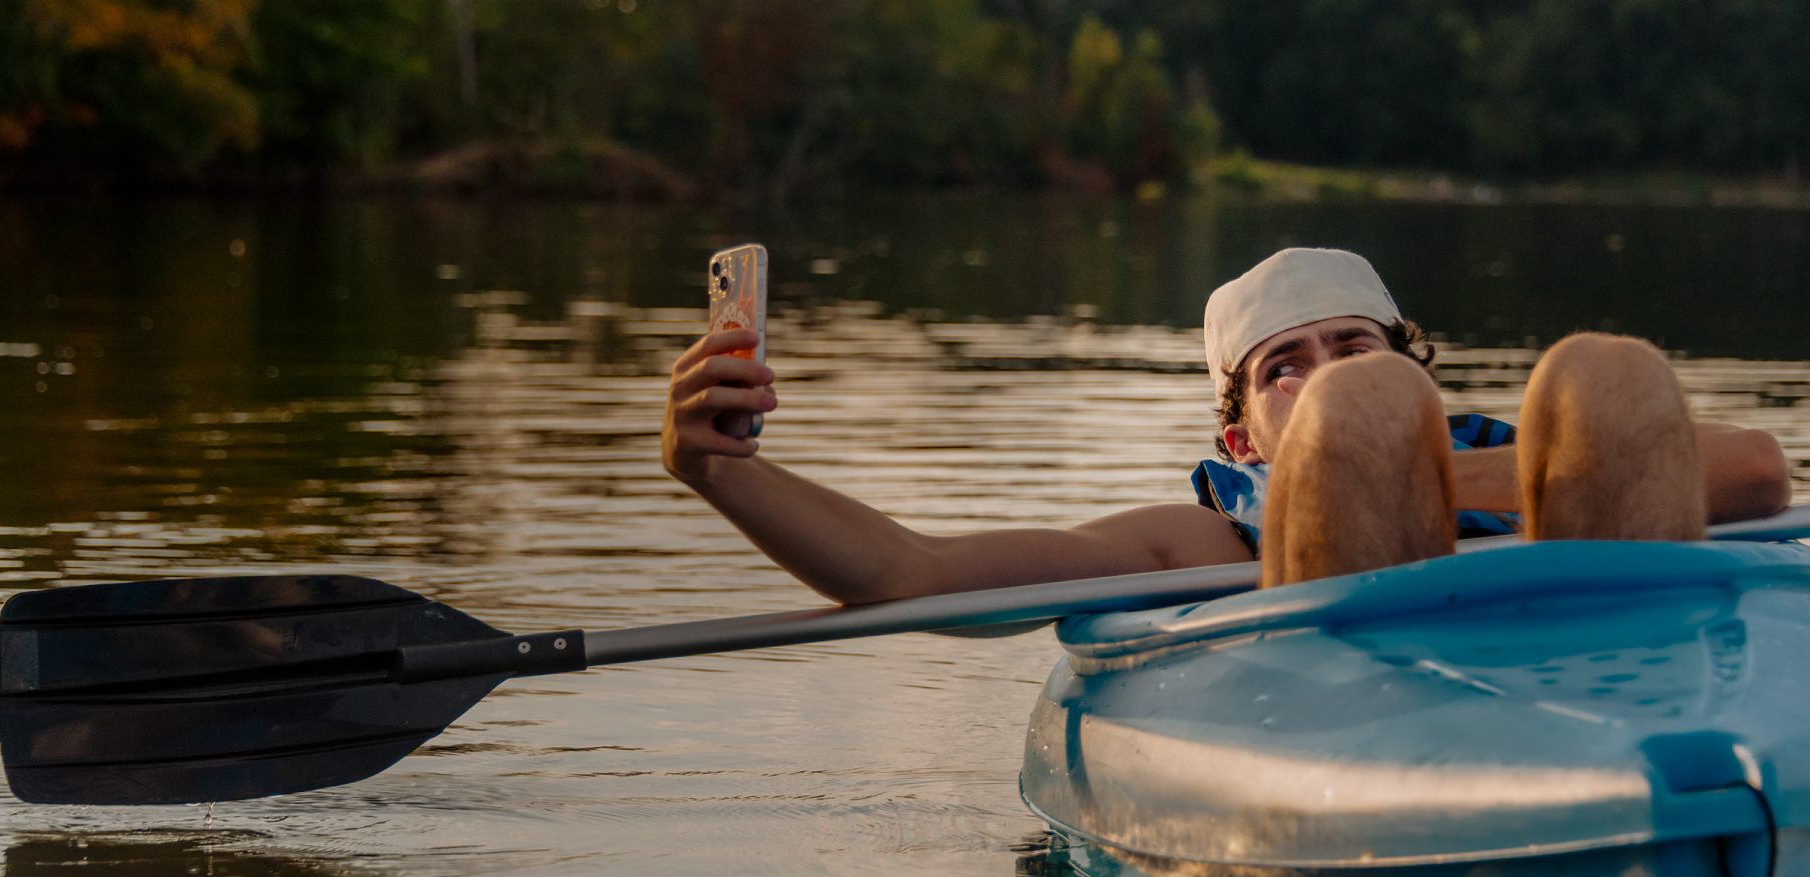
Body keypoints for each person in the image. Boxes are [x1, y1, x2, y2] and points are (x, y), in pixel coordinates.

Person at [662, 247, 1792, 600]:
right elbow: (911, 574)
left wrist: (1453, 479)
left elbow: (1755, 472)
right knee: (1372, 420)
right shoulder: (1208, 543)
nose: (1325, 371)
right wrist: (723, 476)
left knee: (1605, 369)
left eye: (1353, 347)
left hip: (1622, 688)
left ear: (1426, 374)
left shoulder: (1542, 446)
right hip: (1368, 716)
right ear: (1243, 437)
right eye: (1282, 367)